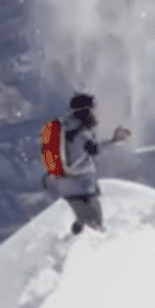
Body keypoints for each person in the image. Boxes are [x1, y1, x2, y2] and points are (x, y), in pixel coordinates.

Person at [52, 91, 129, 234]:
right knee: (94, 225)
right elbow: (94, 150)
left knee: (85, 221)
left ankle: (74, 237)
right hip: (81, 185)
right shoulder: (82, 133)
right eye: (94, 108)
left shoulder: (68, 128)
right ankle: (78, 248)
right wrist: (114, 140)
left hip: (68, 185)